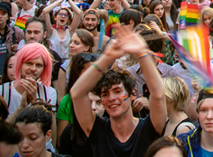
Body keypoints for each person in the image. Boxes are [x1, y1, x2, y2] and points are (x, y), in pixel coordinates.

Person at [70, 24, 166, 157]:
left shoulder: (148, 128)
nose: (111, 98)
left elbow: (158, 95)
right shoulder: (98, 131)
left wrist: (141, 52)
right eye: (105, 94)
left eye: (117, 91)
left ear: (132, 94)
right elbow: (76, 93)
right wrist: (107, 57)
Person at [0, 42, 56, 118]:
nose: (33, 69)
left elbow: (52, 128)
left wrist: (34, 102)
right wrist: (20, 108)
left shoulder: (49, 93)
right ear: (19, 64)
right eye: (29, 63)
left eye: (39, 65)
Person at [0, 2, 24, 73]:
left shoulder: (17, 32)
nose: (0, 16)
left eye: (3, 14)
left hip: (12, 71)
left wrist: (18, 48)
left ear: (8, 16)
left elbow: (25, 50)